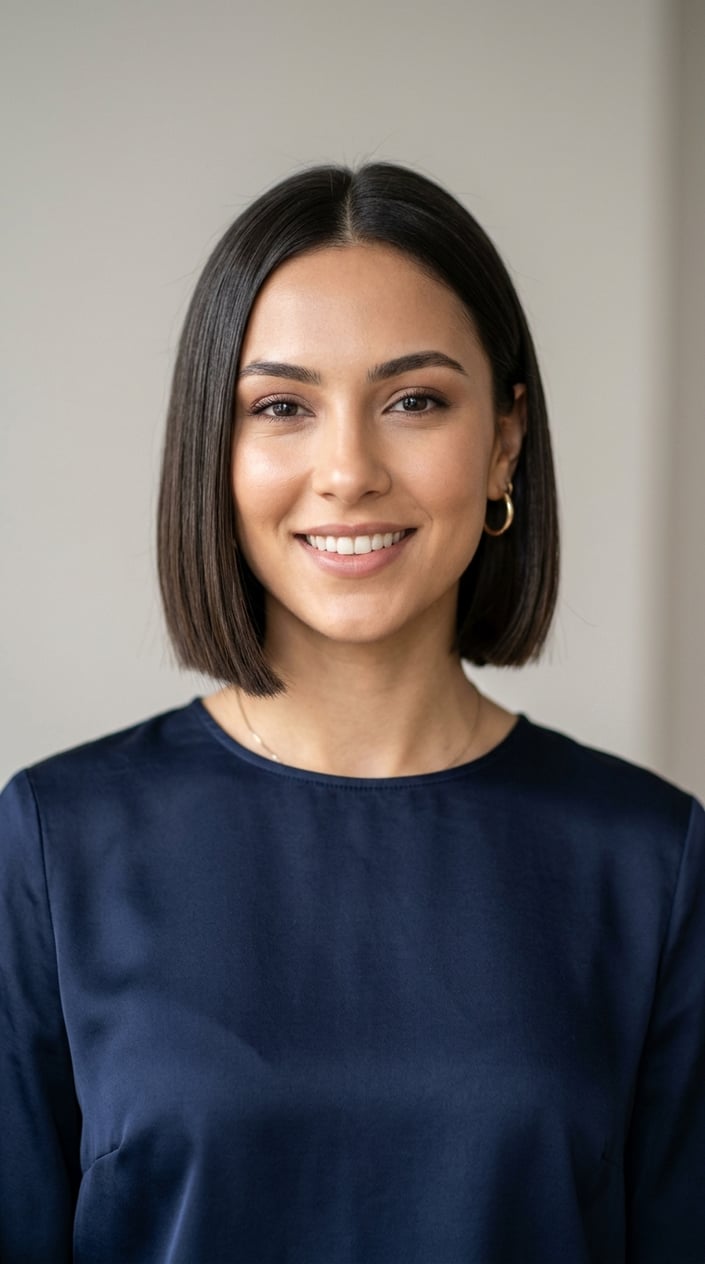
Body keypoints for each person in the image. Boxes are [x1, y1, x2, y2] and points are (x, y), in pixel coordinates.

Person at [1, 162, 703, 1264]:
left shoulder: (653, 863)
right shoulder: (55, 842)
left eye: (414, 401)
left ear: (505, 440)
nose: (348, 471)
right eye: (282, 406)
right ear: (215, 451)